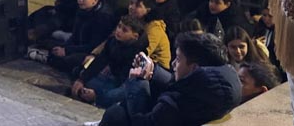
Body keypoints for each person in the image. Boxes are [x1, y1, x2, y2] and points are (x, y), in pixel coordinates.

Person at [94, 31, 242, 125]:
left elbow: (142, 123)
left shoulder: (175, 106)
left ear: (195, 67)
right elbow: (183, 86)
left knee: (116, 114)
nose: (173, 64)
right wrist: (153, 71)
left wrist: (136, 83)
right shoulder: (213, 90)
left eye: (178, 59)